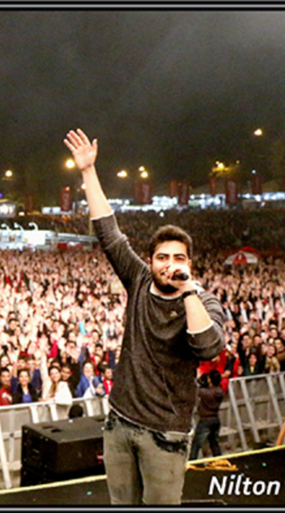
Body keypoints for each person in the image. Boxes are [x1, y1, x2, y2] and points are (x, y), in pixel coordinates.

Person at [65, 128, 224, 505]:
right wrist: (88, 171)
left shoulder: (203, 301)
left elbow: (207, 347)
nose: (170, 265)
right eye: (163, 258)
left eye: (179, 258)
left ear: (190, 263)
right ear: (150, 262)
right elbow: (108, 232)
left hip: (165, 435)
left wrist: (188, 292)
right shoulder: (137, 279)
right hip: (119, 423)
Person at [189, 370, 224, 460]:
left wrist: (198, 378)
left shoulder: (206, 393)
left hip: (205, 420)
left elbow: (196, 389)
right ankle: (219, 460)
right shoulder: (220, 391)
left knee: (196, 445)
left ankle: (192, 462)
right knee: (214, 443)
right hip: (216, 419)